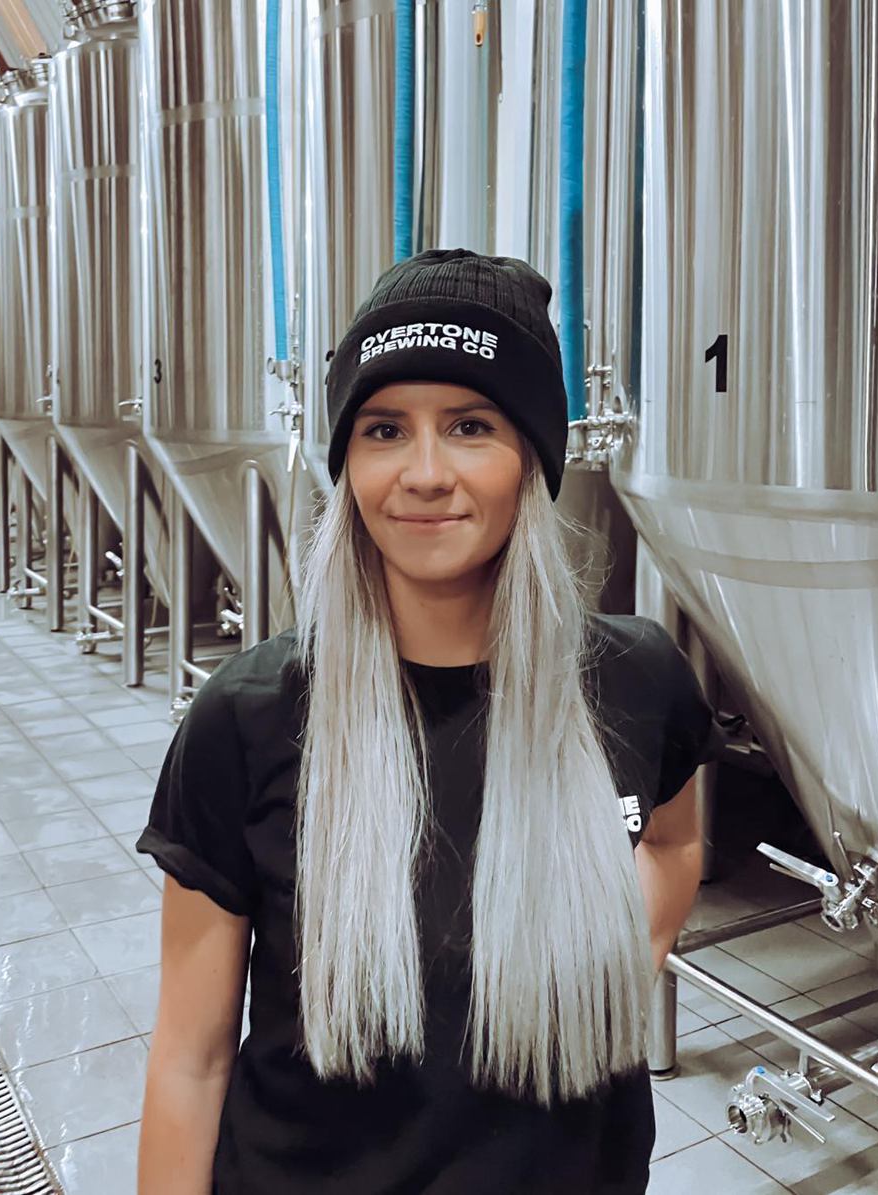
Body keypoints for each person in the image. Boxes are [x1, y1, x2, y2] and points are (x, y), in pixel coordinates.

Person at [135, 248, 721, 1194]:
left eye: (470, 426)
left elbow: (675, 841)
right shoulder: (247, 720)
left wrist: (602, 974)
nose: (424, 473)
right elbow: (190, 1060)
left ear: (532, 457)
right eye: (384, 429)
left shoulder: (635, 678)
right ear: (347, 461)